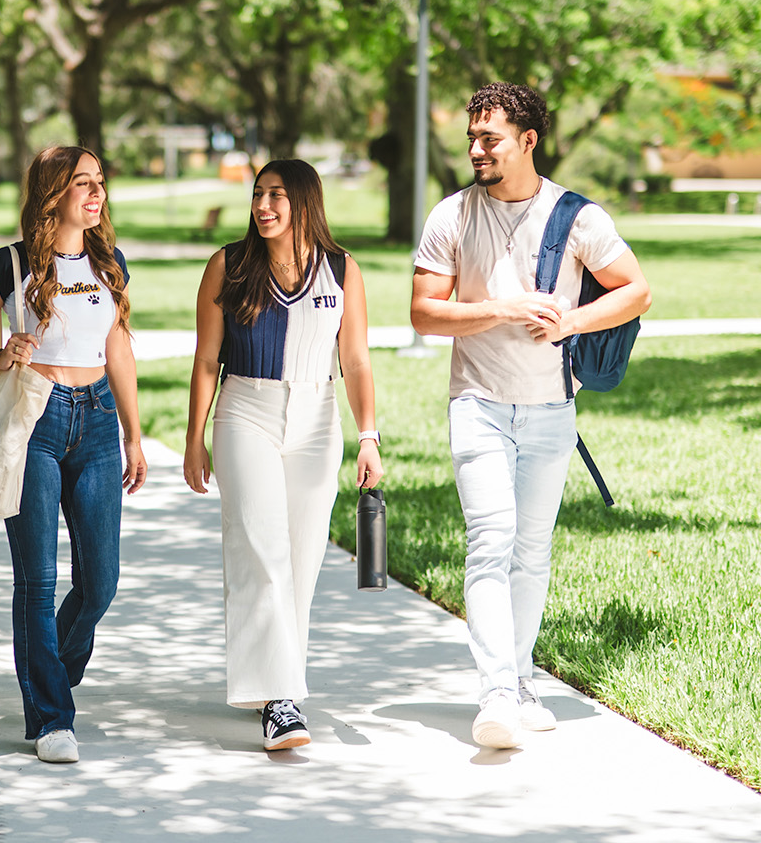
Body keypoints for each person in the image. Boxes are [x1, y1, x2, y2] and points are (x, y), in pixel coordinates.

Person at [411, 82, 651, 750]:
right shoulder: (453, 215)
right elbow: (424, 313)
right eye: (472, 137)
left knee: (531, 551)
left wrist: (572, 319)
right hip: (478, 405)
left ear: (527, 140)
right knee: (489, 542)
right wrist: (502, 309)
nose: (476, 148)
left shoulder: (578, 217)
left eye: (489, 138)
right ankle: (495, 694)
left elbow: (636, 290)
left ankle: (517, 680)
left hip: (551, 411)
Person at [0, 146, 147, 764]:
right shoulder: (12, 265)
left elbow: (118, 351)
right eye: (82, 183)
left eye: (100, 183)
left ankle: (48, 670)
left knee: (100, 582)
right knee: (36, 580)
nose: (96, 194)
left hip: (97, 421)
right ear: (52, 192)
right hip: (33, 417)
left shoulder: (109, 264)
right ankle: (52, 717)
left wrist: (134, 435)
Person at [182, 158, 382, 751]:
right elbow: (205, 360)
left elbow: (357, 361)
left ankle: (275, 686)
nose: (263, 206)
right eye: (258, 195)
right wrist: (195, 438)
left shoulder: (342, 269)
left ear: (305, 203)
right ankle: (283, 703)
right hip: (246, 411)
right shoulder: (229, 264)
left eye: (276, 196)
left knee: (302, 556)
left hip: (318, 418)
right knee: (261, 548)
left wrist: (368, 434)